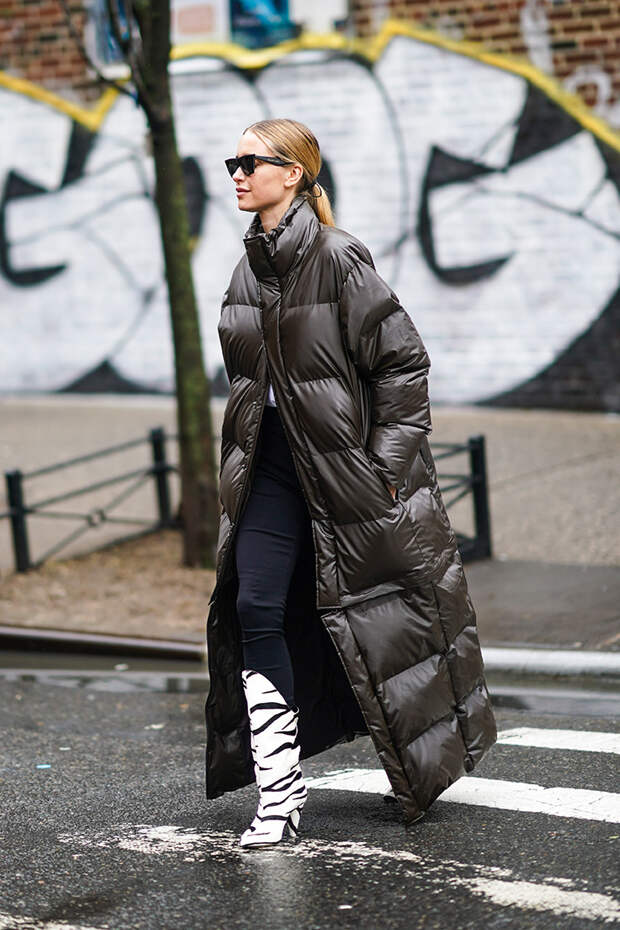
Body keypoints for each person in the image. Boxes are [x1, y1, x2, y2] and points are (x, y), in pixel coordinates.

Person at [204, 118, 496, 849]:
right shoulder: (245, 270)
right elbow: (249, 385)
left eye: (250, 161)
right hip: (271, 471)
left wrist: (383, 469)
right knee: (254, 607)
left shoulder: (339, 258)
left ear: (293, 174)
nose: (237, 173)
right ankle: (281, 794)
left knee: (388, 625)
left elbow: (403, 366)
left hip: (346, 475)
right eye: (232, 162)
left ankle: (424, 767)